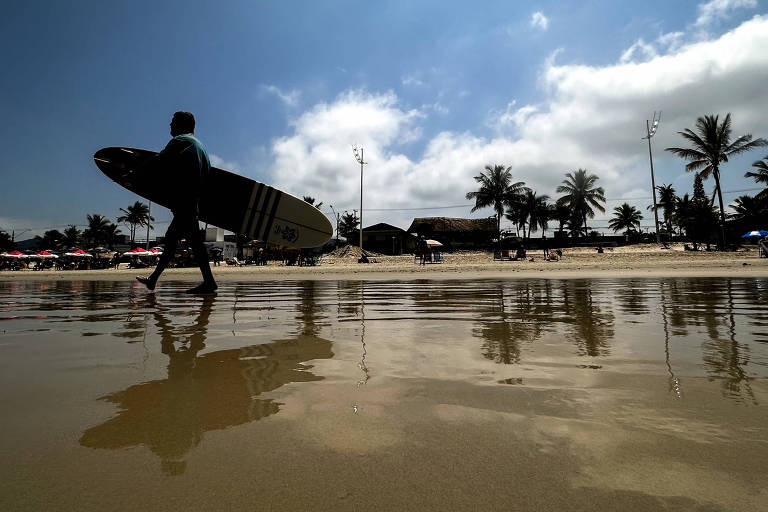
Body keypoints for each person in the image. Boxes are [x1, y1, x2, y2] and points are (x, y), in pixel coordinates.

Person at [135, 111, 217, 294]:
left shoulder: (181, 141)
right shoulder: (201, 147)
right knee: (175, 240)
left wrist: (133, 174)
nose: (170, 126)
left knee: (189, 242)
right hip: (192, 201)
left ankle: (209, 282)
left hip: (185, 202)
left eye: (172, 122)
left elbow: (158, 162)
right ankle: (153, 279)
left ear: (182, 124)